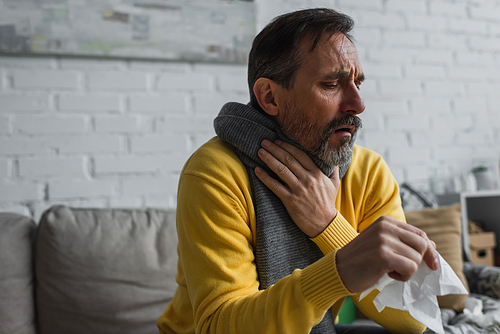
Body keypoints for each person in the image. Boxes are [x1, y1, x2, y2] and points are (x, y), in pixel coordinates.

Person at [157, 8, 438, 334]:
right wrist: (342, 268)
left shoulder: (368, 171)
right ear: (269, 97)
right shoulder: (214, 173)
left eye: (357, 83)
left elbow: (414, 320)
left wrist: (327, 224)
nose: (358, 104)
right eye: (332, 84)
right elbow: (220, 326)